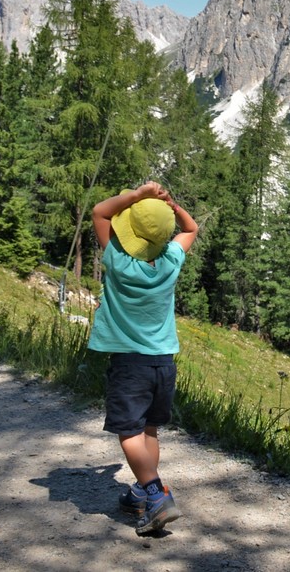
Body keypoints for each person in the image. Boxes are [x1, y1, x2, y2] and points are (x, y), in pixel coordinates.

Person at [88, 181, 198, 535]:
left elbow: (99, 211)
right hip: (164, 363)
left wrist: (137, 196)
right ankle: (140, 490)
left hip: (130, 363)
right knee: (149, 429)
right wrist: (170, 203)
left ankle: (156, 495)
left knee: (128, 432)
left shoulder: (118, 262)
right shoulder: (170, 263)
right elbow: (191, 228)